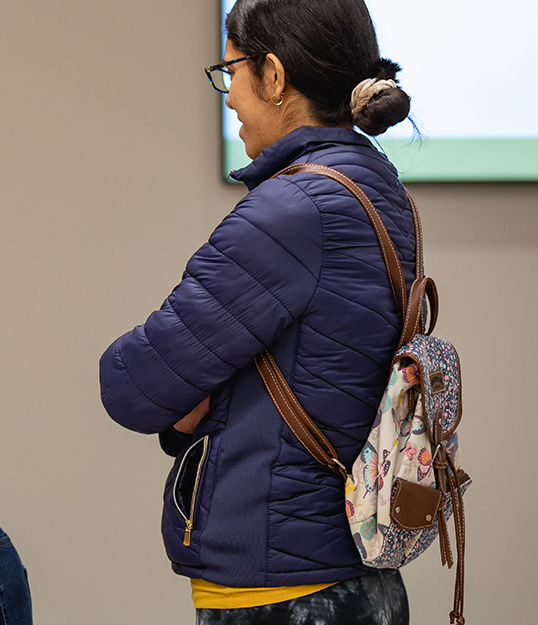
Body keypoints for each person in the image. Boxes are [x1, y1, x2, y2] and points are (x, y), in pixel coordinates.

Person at [98, 0, 416, 623]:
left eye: (231, 72)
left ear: (273, 76)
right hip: (354, 571)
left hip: (284, 588)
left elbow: (132, 385)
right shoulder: (378, 188)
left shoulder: (293, 208)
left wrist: (199, 393)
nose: (229, 96)